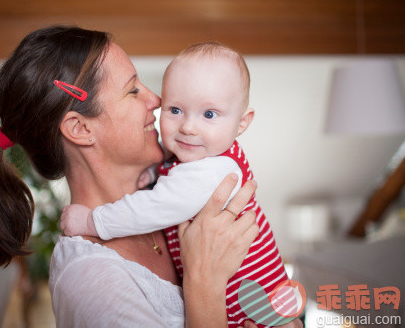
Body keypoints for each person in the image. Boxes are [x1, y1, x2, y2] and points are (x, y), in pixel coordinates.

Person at [0, 26, 272, 327]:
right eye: (133, 90)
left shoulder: (171, 181)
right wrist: (204, 284)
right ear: (81, 129)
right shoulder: (91, 281)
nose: (157, 101)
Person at [60, 42, 293, 327]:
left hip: (253, 313)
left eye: (209, 114)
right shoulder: (93, 279)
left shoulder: (212, 169)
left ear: (242, 123)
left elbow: (156, 206)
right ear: (81, 128)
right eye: (175, 109)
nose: (187, 127)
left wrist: (92, 221)